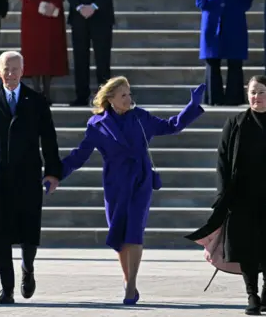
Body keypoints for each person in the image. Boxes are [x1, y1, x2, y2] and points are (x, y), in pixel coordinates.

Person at [60, 76, 205, 304]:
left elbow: (170, 126)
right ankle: (129, 282)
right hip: (115, 184)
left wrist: (192, 106)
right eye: (123, 95)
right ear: (110, 99)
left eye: (129, 94)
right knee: (119, 233)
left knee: (135, 231)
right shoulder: (96, 124)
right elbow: (81, 154)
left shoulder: (140, 117)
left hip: (140, 181)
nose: (129, 99)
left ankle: (131, 286)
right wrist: (57, 173)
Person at [187, 75, 266, 315]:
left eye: (261, 92)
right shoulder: (236, 122)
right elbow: (222, 161)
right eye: (252, 92)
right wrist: (223, 194)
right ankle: (252, 294)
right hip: (242, 197)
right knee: (247, 249)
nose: (256, 97)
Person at [0, 50, 61, 304]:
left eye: (14, 69)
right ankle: (6, 289)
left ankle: (27, 268)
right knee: (1, 234)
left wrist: (52, 171)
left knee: (29, 230)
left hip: (29, 175)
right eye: (5, 69)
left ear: (23, 70)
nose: (10, 74)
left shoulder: (37, 100)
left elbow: (49, 139)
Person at [194, 0, 254, 106]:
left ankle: (234, 98)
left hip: (234, 17)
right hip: (213, 17)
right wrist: (203, 4)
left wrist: (241, 7)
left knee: (235, 59)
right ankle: (214, 98)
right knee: (213, 59)